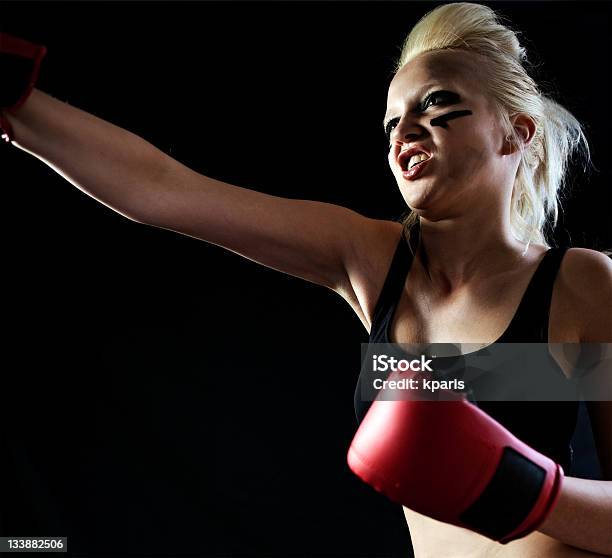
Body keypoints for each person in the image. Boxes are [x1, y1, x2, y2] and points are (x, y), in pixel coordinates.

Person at [1, 3, 610, 557]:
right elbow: (164, 189)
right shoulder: (372, 262)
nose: (403, 133)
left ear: (516, 132)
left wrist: (528, 491)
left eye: (436, 104)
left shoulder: (579, 285)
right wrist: (16, 101)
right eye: (391, 122)